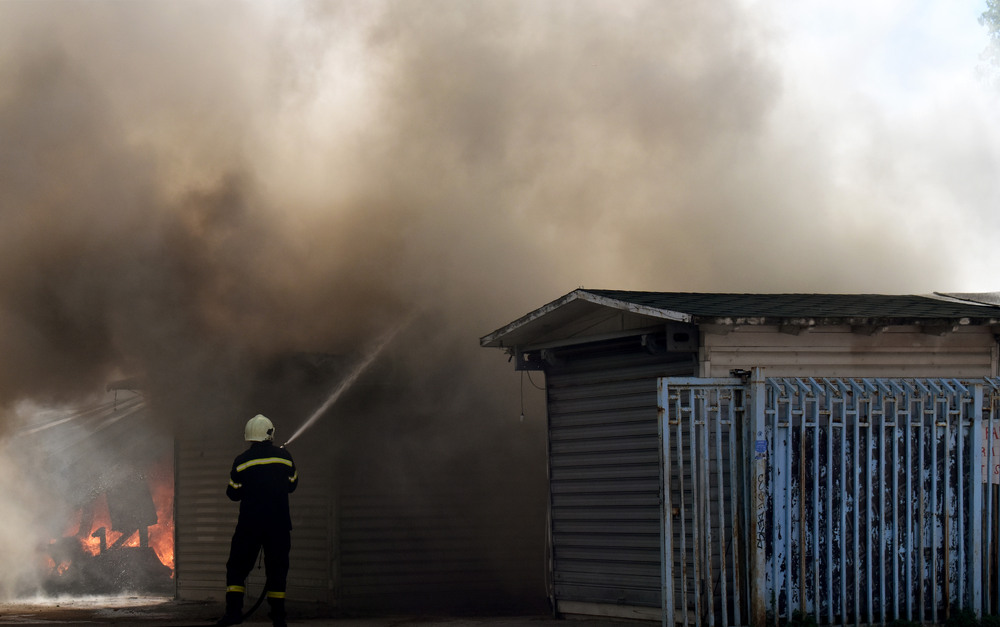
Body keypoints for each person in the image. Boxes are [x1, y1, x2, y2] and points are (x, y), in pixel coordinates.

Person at [216, 414, 298, 627]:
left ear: (249, 437)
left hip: (250, 526)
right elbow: (292, 485)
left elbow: (232, 493)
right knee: (277, 570)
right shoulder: (285, 458)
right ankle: (279, 618)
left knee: (237, 568)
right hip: (279, 526)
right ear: (271, 434)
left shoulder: (242, 461)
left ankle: (233, 613)